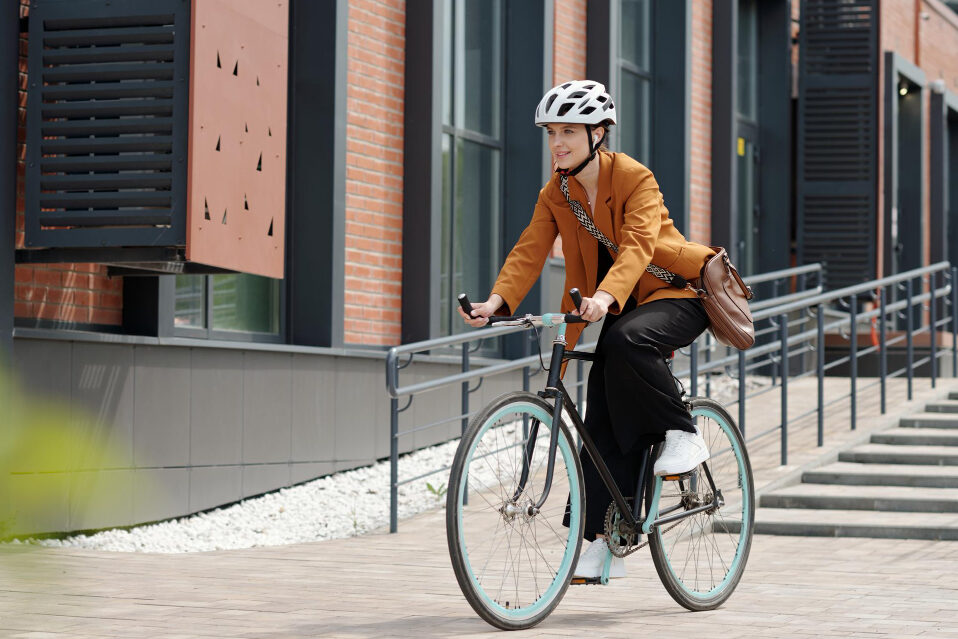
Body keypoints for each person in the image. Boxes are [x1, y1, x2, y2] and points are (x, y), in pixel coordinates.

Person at [457, 80, 715, 580]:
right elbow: (530, 249)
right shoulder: (557, 192)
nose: (557, 142)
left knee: (625, 340)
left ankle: (684, 432)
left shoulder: (635, 177)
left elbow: (639, 245)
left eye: (569, 131)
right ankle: (597, 539)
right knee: (599, 419)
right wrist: (496, 301)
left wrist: (603, 296)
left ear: (598, 133)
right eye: (552, 132)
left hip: (677, 293)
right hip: (614, 303)